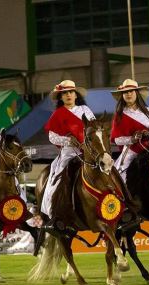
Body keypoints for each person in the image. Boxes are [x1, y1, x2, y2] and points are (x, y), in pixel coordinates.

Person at [40, 80, 96, 221]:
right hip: (69, 152)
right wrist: (68, 140)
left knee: (108, 169)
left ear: (76, 95)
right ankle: (52, 209)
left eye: (71, 92)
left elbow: (94, 129)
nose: (68, 95)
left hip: (89, 150)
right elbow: (52, 137)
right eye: (64, 93)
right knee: (57, 176)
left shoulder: (85, 110)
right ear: (61, 97)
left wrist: (86, 143)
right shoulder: (58, 114)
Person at [110, 78, 149, 183]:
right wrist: (132, 139)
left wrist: (148, 133)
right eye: (125, 92)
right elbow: (115, 140)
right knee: (117, 176)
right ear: (122, 95)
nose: (128, 94)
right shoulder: (119, 115)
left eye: (131, 91)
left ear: (136, 93)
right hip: (131, 150)